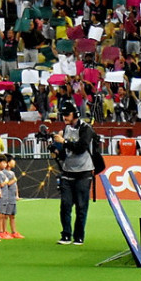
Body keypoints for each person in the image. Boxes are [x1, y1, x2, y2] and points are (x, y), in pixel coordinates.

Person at [50, 105, 96, 245]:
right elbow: (65, 152)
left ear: (74, 114)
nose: (64, 117)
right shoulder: (65, 129)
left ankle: (79, 236)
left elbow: (81, 147)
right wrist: (57, 150)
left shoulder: (86, 129)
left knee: (81, 206)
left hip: (83, 172)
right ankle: (66, 234)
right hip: (67, 171)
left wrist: (64, 142)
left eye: (66, 114)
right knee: (65, 205)